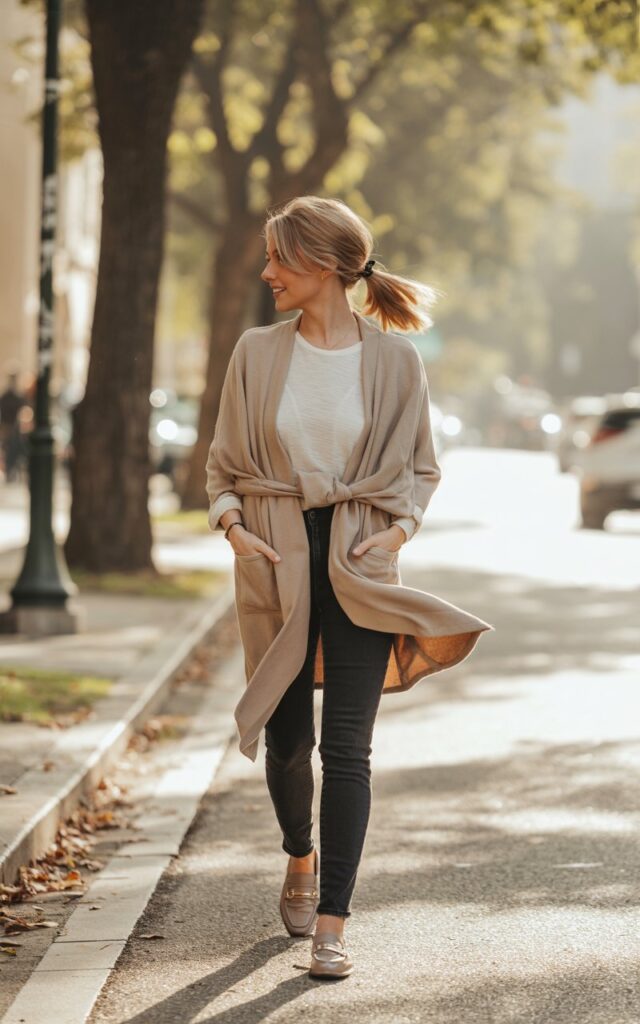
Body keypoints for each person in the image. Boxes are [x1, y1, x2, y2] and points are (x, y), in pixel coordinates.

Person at [205, 195, 494, 980]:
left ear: (325, 266)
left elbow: (420, 471)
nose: (267, 272)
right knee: (289, 740)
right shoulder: (255, 354)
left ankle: (333, 921)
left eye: (279, 259)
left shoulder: (397, 360)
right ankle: (299, 854)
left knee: (348, 750)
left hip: (361, 562)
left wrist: (395, 534)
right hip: (278, 558)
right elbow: (223, 468)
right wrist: (237, 530)